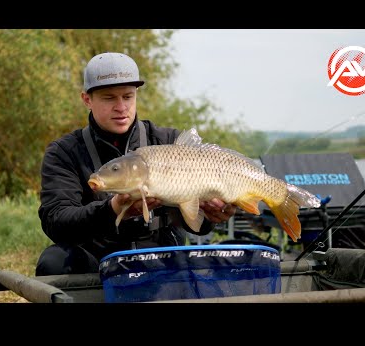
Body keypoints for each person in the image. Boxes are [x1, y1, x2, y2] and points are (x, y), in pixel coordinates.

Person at [36, 52, 237, 276]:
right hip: (98, 258)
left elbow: (195, 223)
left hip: (161, 255)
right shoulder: (64, 153)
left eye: (128, 96)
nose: (121, 107)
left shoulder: (169, 143)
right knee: (53, 261)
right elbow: (57, 222)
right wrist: (111, 210)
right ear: (87, 99)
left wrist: (212, 216)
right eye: (109, 98)